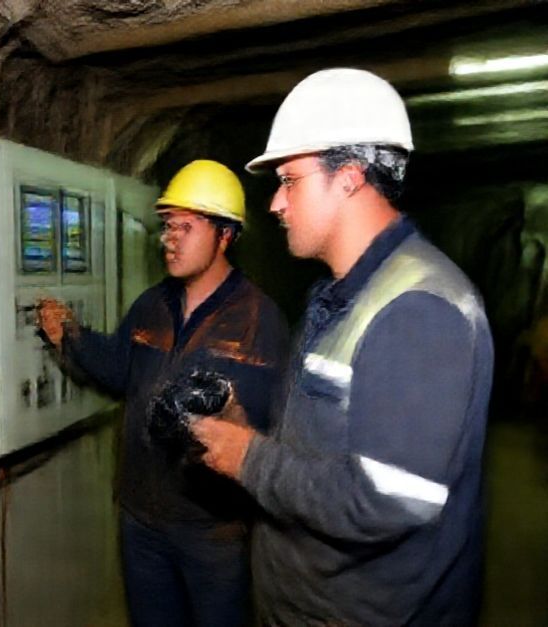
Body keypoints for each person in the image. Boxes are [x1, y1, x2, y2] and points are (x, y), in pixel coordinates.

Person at [191, 68, 494, 625]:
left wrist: (248, 458)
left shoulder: (419, 309)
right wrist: (245, 431)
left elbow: (387, 499)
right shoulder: (336, 296)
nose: (276, 203)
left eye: (290, 180)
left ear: (349, 177)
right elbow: (327, 446)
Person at [38, 159, 288, 627]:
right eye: (167, 226)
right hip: (142, 521)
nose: (169, 238)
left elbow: (271, 432)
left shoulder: (259, 320)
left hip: (213, 530)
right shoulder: (152, 305)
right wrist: (69, 335)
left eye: (186, 227)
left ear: (225, 235)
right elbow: (117, 368)